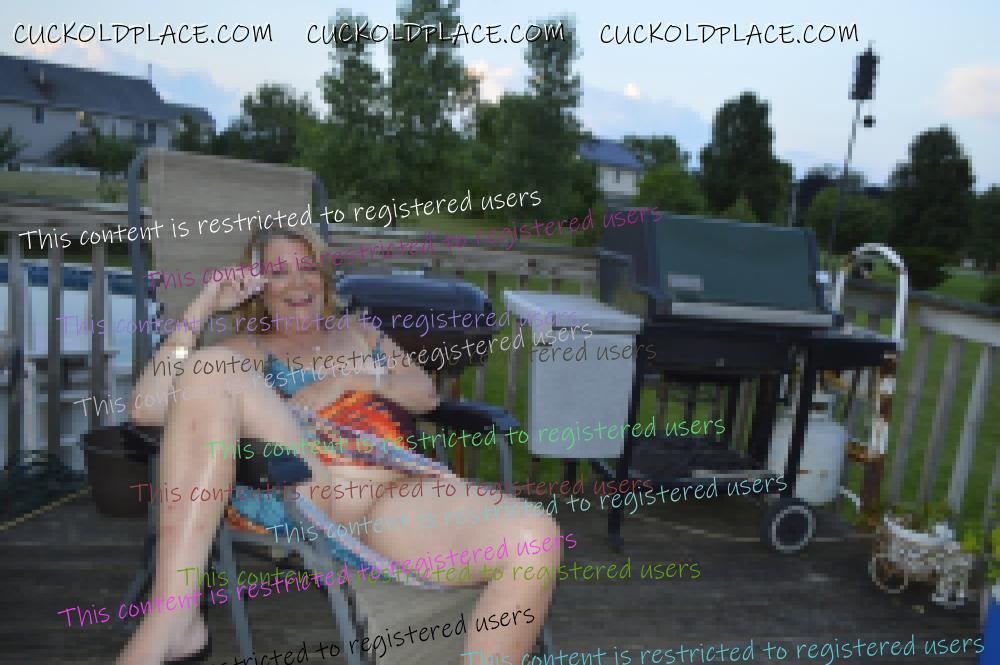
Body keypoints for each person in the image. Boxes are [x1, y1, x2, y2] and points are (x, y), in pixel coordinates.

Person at [117, 226, 561, 664]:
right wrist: (200, 310)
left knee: (534, 537)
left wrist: (344, 381)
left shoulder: (360, 333)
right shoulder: (246, 349)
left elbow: (424, 394)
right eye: (278, 272)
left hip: (401, 497)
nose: (297, 282)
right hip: (310, 485)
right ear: (258, 290)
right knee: (212, 365)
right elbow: (146, 406)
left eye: (307, 268)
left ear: (324, 278)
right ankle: (173, 617)